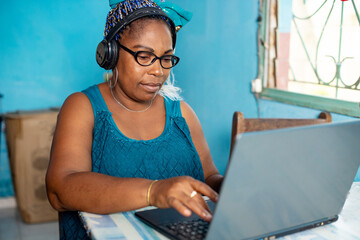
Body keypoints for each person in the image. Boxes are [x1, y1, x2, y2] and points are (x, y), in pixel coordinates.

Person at [46, 0, 223, 239]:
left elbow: (209, 177)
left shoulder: (182, 114)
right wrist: (154, 191)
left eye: (166, 58)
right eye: (144, 55)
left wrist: (231, 186)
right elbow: (60, 189)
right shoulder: (83, 107)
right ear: (111, 53)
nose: (158, 71)